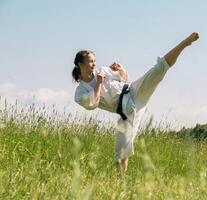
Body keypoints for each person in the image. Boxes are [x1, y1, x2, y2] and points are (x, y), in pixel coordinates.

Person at [72, 32, 199, 173]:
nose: (94, 64)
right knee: (121, 150)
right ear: (80, 64)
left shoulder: (102, 70)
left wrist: (121, 70)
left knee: (158, 69)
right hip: (125, 110)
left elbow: (125, 79)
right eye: (90, 61)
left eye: (94, 60)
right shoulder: (80, 92)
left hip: (134, 91)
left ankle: (184, 43)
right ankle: (121, 182)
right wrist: (99, 83)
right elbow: (92, 104)